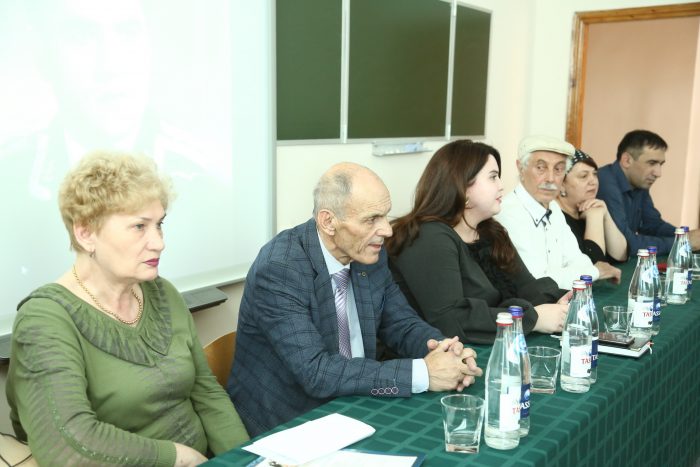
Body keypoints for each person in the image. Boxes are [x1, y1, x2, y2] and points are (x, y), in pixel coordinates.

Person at [6, 152, 248, 466]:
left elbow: (206, 394)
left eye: (159, 225)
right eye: (139, 226)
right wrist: (177, 456)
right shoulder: (44, 321)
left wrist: (246, 459)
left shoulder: (163, 293)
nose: (158, 242)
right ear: (86, 233)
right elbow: (65, 444)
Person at [227, 162, 483, 437]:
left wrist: (443, 352)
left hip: (358, 401)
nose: (387, 230)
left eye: (385, 216)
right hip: (291, 421)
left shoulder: (368, 252)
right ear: (328, 221)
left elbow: (401, 323)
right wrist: (422, 373)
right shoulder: (280, 268)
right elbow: (317, 373)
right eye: (371, 219)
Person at [386, 140, 570, 344]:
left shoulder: (490, 231)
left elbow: (525, 287)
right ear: (463, 186)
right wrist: (532, 319)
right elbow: (450, 320)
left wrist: (559, 302)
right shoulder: (428, 237)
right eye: (493, 177)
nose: (501, 185)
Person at [495, 135, 621, 289]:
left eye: (558, 169)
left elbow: (577, 259)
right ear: (521, 168)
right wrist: (594, 272)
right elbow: (538, 280)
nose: (550, 178)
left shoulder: (553, 207)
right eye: (540, 168)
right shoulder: (507, 213)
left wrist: (586, 271)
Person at [597, 129, 700, 254]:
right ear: (626, 160)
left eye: (661, 164)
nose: (658, 173)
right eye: (652, 163)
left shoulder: (638, 182)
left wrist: (685, 236)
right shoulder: (605, 184)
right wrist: (683, 243)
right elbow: (625, 243)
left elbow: (652, 225)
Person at [557, 149, 628, 264]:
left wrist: (605, 214)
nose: (593, 181)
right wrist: (594, 218)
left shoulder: (589, 207)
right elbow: (594, 265)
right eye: (584, 176)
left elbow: (621, 256)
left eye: (595, 174)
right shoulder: (555, 218)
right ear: (561, 185)